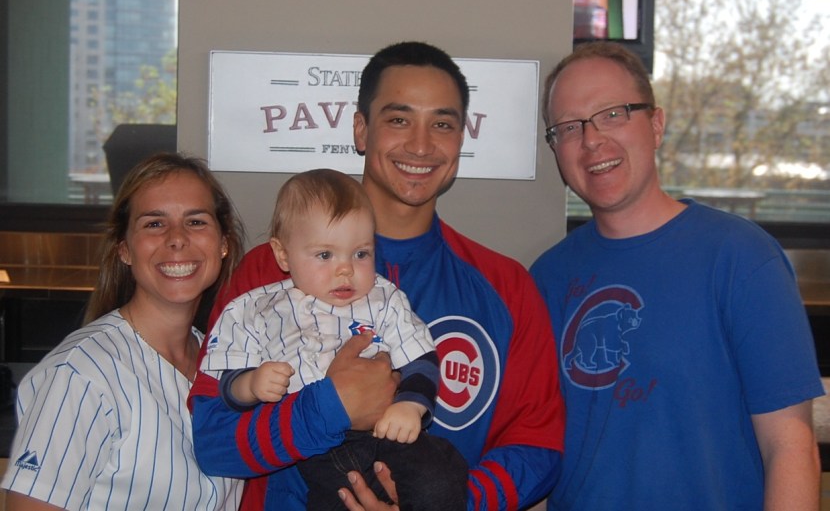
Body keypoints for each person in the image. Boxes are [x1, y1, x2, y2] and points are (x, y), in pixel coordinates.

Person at [189, 41, 566, 510]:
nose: (421, 144)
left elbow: (539, 443)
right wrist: (328, 408)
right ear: (361, 129)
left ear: (460, 139)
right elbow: (212, 443)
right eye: (399, 119)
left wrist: (450, 504)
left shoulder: (506, 287)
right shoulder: (268, 272)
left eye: (442, 124)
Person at [530, 41, 825, 510]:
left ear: (656, 125)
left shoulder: (741, 259)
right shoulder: (546, 277)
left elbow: (790, 448)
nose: (590, 140)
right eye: (568, 127)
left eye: (612, 114)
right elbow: (540, 449)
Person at [200, 168, 467, 510]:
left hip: (388, 433)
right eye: (325, 255)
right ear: (283, 255)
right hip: (313, 454)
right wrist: (250, 384)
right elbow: (227, 384)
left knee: (441, 479)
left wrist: (411, 405)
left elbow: (422, 359)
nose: (345, 269)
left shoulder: (385, 299)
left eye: (361, 254)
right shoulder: (255, 309)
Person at [1, 153, 246, 510]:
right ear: (125, 250)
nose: (177, 239)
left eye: (195, 221)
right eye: (154, 224)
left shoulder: (228, 364)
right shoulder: (80, 374)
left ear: (223, 243)